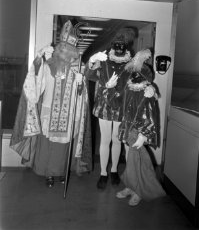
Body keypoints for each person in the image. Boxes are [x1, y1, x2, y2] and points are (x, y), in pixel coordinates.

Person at [10, 20, 92, 187]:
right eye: (62, 46)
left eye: (69, 48)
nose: (65, 50)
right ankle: (48, 173)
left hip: (68, 114)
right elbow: (36, 85)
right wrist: (38, 59)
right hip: (49, 112)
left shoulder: (78, 69)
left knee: (65, 146)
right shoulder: (47, 66)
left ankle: (62, 172)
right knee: (48, 145)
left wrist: (80, 83)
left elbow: (82, 96)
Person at [85, 27, 137, 189]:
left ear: (126, 45)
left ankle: (114, 170)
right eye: (117, 43)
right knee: (105, 139)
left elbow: (135, 82)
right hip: (105, 103)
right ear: (114, 43)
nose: (119, 46)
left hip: (122, 105)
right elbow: (89, 75)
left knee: (117, 139)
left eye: (122, 44)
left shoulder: (132, 61)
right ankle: (103, 173)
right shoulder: (104, 58)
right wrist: (92, 61)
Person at [116, 49, 166, 206]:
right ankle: (131, 186)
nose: (133, 76)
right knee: (130, 160)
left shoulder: (147, 92)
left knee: (139, 161)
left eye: (137, 74)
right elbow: (119, 103)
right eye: (133, 73)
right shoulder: (129, 88)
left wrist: (143, 134)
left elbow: (150, 114)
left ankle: (140, 189)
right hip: (127, 129)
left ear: (145, 77)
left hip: (138, 131)